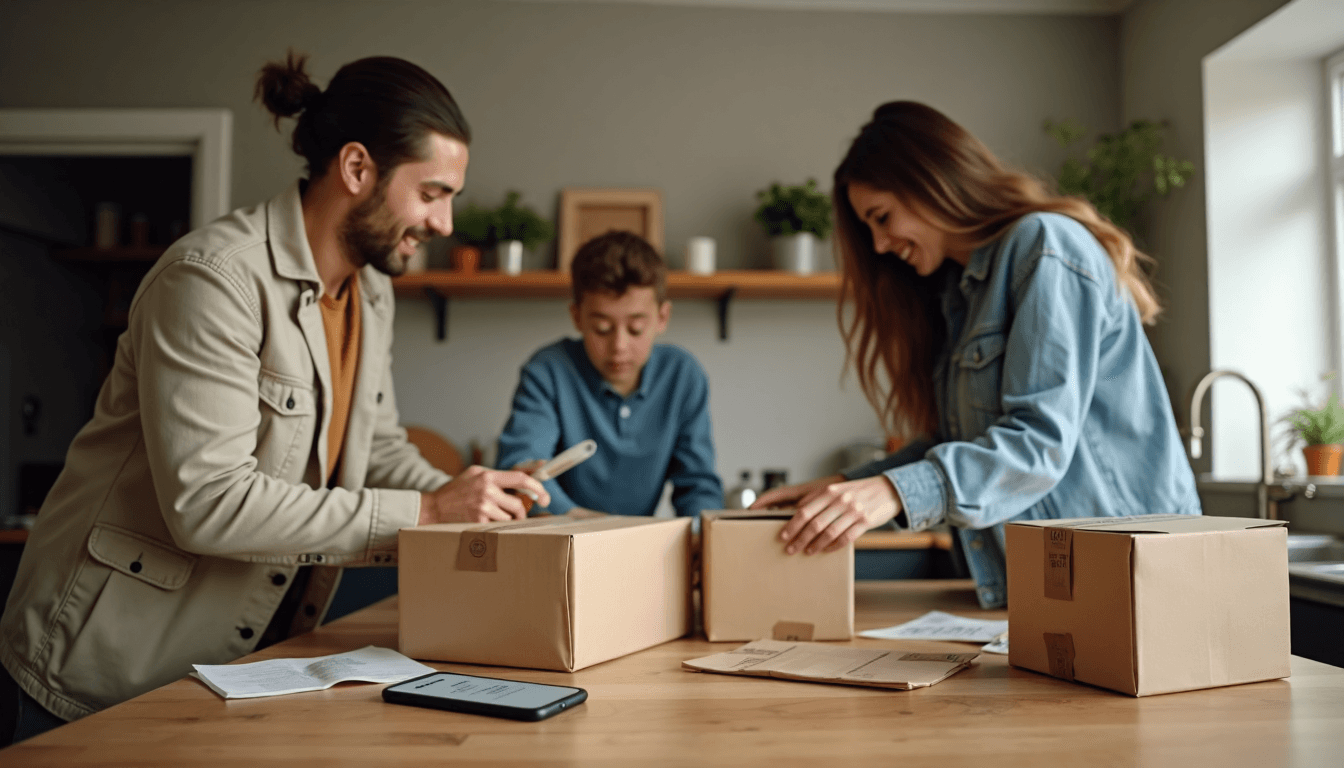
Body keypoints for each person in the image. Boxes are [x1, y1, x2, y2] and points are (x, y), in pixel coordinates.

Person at [0, 53, 549, 742]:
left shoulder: (370, 292)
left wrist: (470, 502)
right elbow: (209, 501)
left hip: (239, 670)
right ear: (357, 168)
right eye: (433, 192)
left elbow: (376, 446)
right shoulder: (213, 280)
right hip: (96, 671)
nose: (444, 222)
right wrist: (432, 511)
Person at [753, 101, 1200, 609]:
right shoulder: (957, 297)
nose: (878, 245)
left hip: (1134, 579)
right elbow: (959, 442)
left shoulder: (1044, 246)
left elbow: (1038, 444)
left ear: (931, 182)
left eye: (882, 217)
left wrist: (894, 492)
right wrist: (844, 488)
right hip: (1062, 590)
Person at [495, 231, 722, 518]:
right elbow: (524, 470)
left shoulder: (683, 375)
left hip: (639, 539)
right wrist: (594, 525)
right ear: (577, 317)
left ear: (662, 317)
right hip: (561, 535)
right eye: (602, 329)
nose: (619, 347)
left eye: (636, 329)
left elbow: (698, 485)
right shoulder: (547, 370)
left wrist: (702, 531)